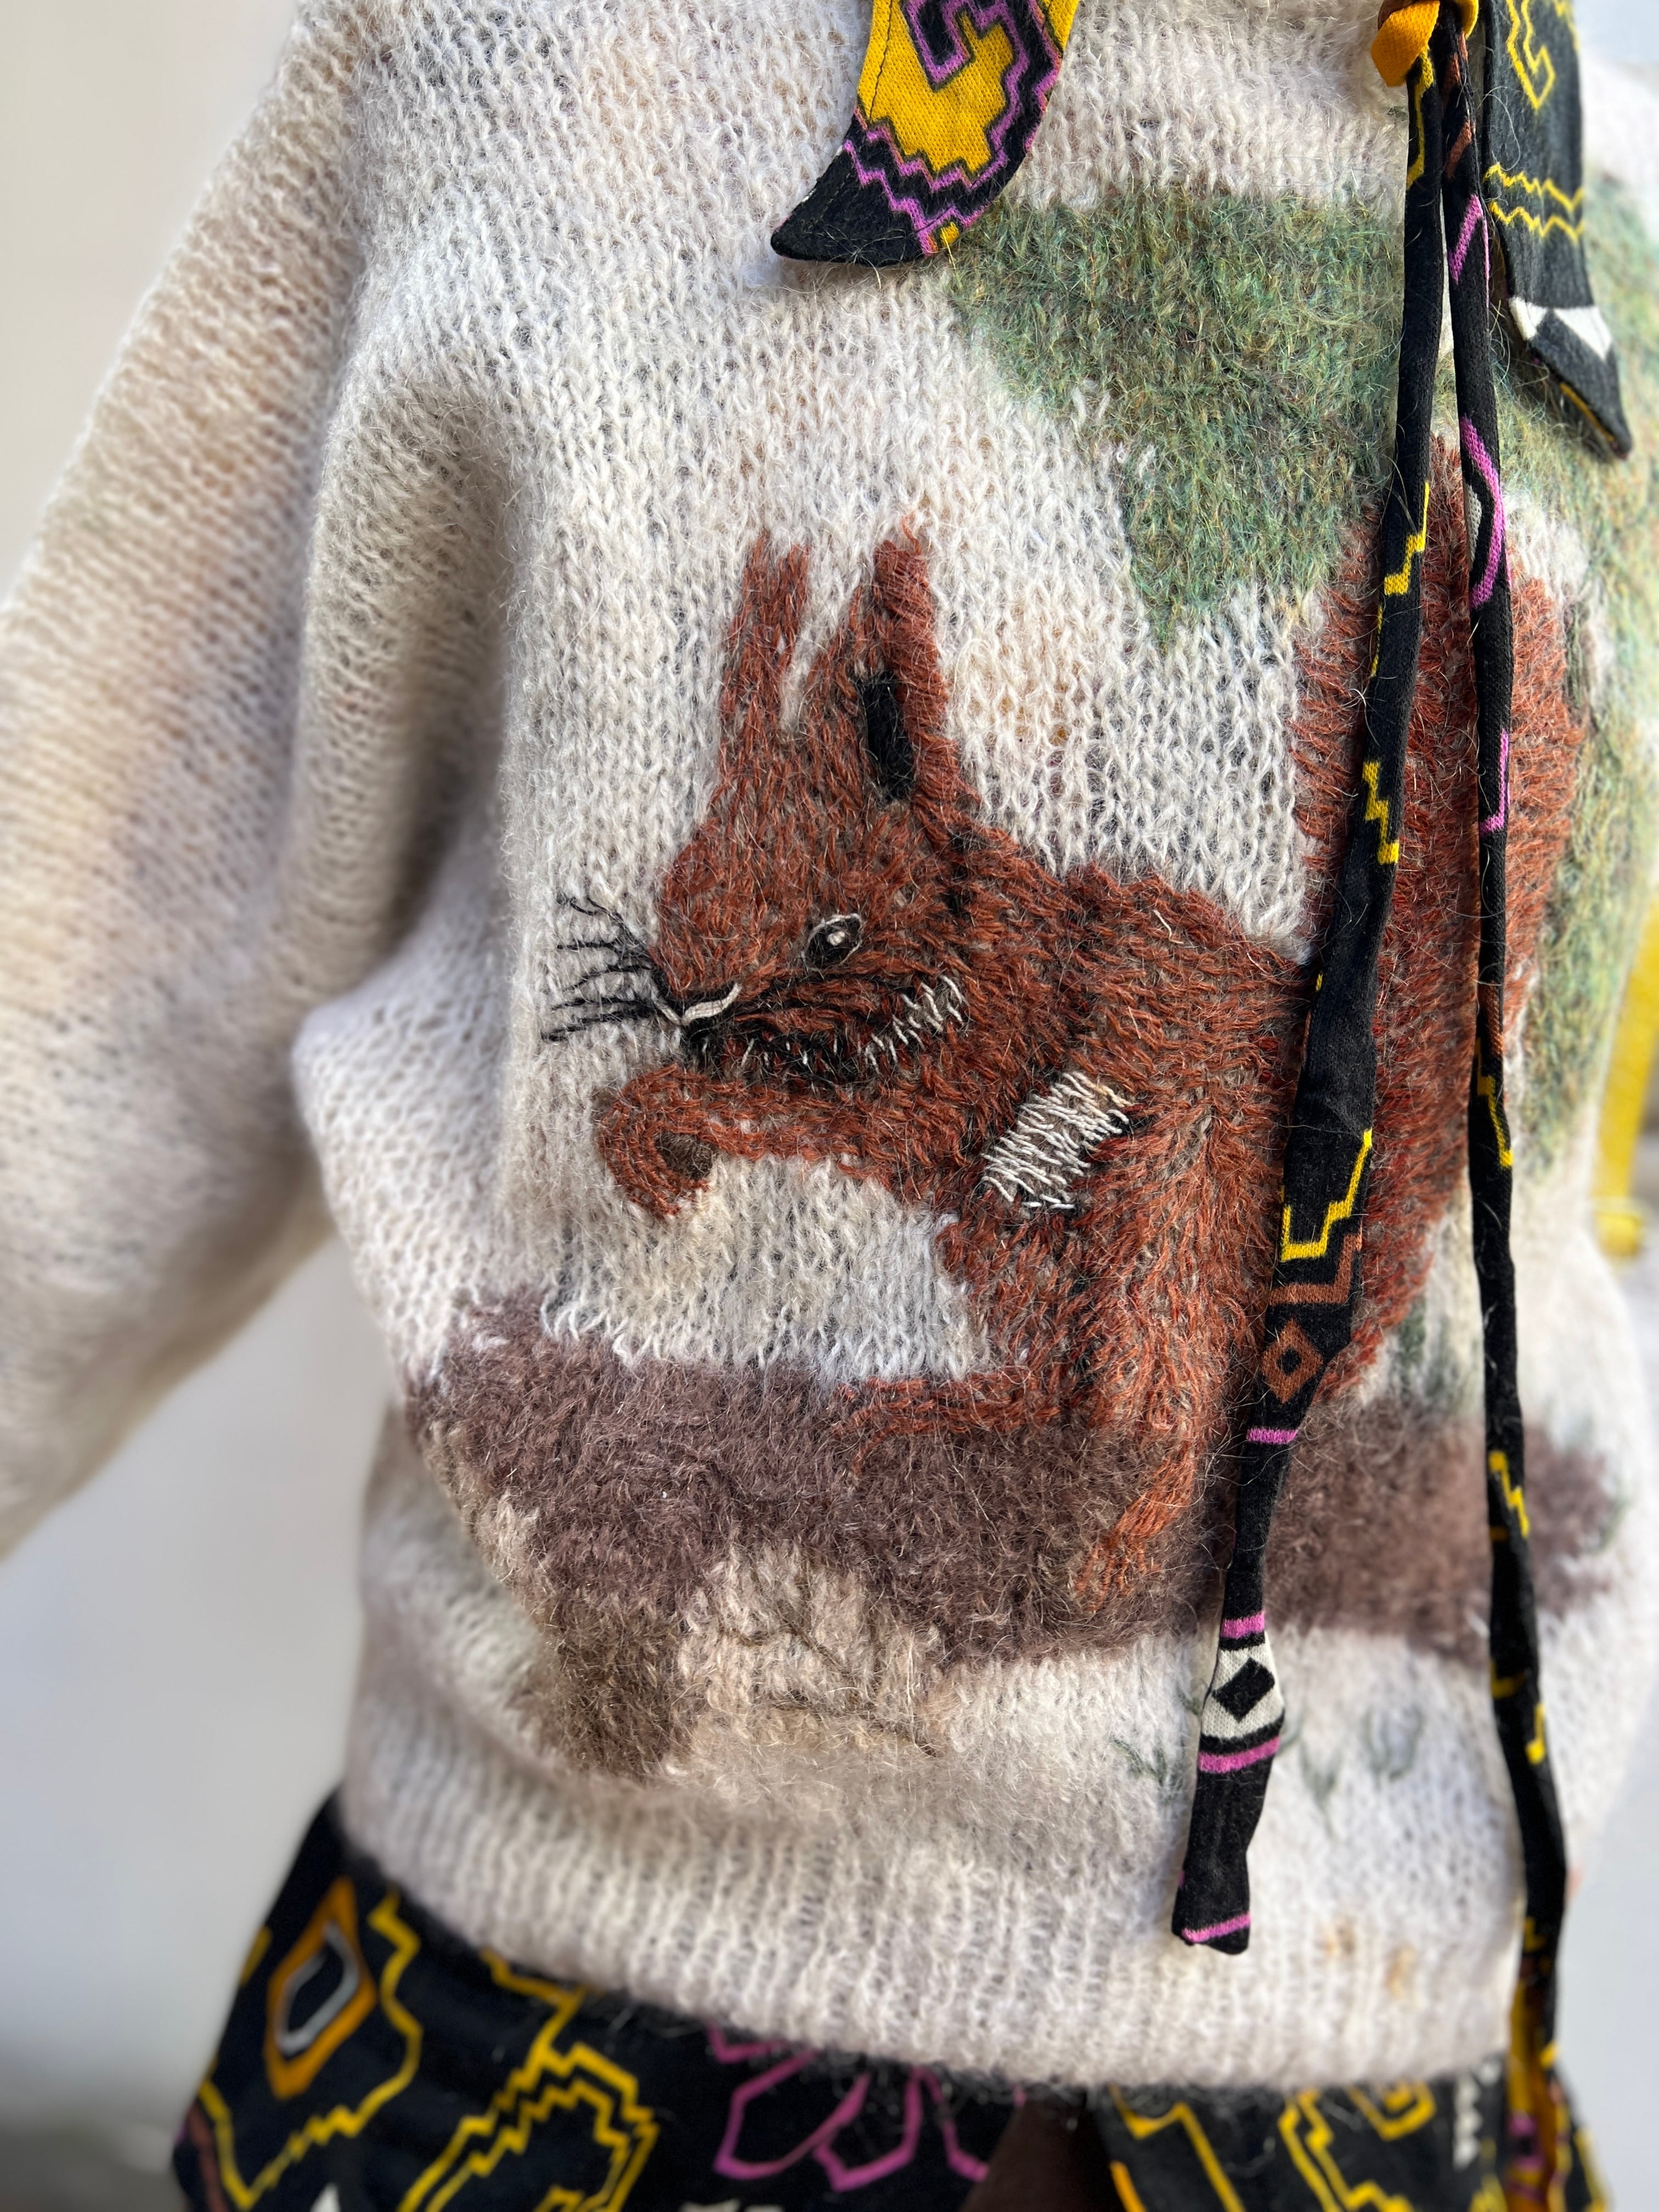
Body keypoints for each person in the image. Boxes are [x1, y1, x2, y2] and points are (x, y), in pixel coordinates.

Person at [3, 0, 1655, 2202]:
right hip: (566, 2041)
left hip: (1386, 2080)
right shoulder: (526, 67)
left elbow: (1570, 1176)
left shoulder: (1597, 217)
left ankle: (1104, 1455)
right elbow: (91, 1002)